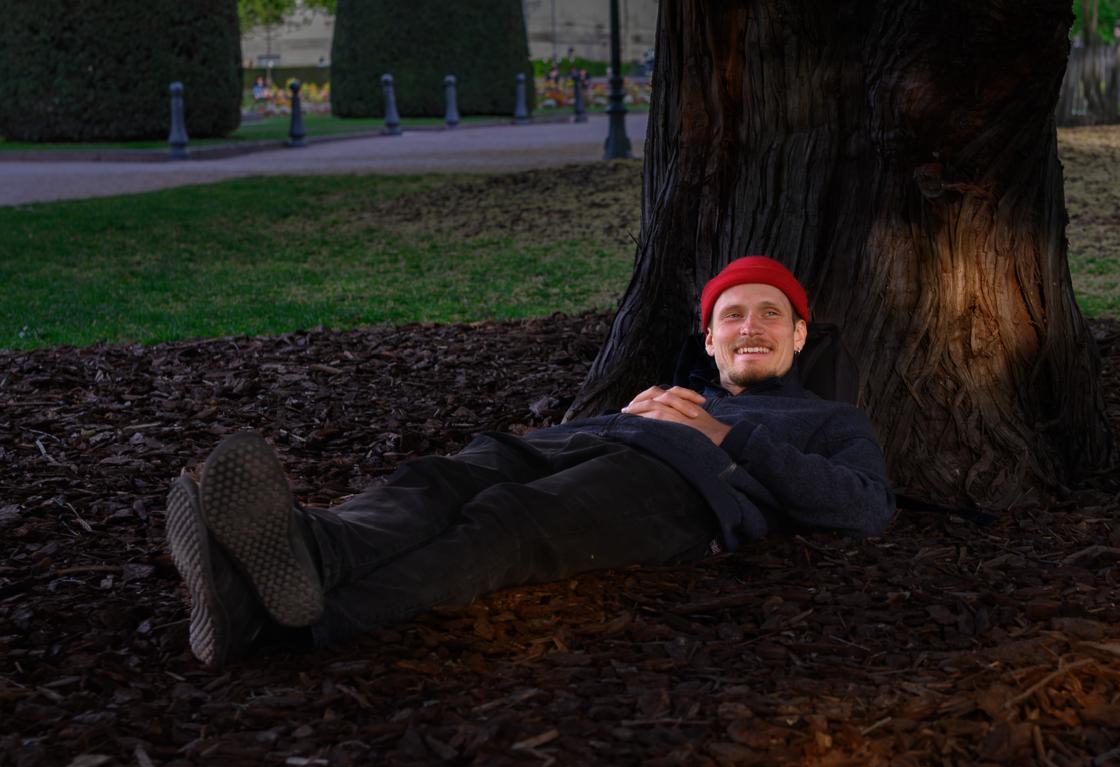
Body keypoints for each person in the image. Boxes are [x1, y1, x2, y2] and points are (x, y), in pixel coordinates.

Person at [164, 257, 896, 667]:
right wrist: (631, 415)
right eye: (731, 315)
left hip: (678, 488)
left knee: (507, 525)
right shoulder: (677, 389)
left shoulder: (828, 418)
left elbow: (866, 508)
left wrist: (722, 435)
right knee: (444, 477)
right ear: (709, 341)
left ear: (801, 336)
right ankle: (309, 548)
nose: (750, 327)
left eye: (771, 313)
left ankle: (282, 621)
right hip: (597, 437)